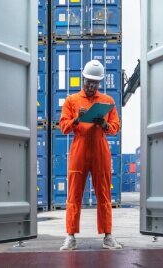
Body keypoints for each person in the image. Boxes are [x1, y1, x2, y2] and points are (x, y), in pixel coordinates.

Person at [58, 59, 123, 251]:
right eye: (88, 82)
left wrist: (104, 125)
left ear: (99, 83)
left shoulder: (108, 101)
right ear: (83, 78)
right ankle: (70, 236)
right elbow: (63, 127)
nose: (91, 85)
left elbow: (115, 126)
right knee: (74, 195)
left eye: (95, 83)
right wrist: (78, 119)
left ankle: (108, 236)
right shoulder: (71, 101)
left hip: (100, 152)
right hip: (79, 150)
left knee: (104, 194)